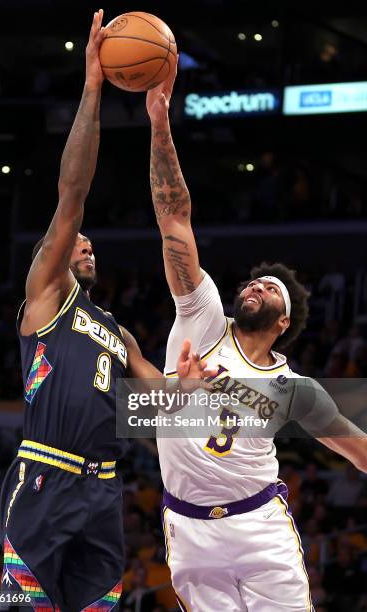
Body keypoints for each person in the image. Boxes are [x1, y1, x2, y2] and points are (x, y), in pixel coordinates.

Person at [0, 13, 214, 612]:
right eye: (78, 241)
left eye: (92, 242)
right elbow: (74, 192)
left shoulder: (118, 334)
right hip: (45, 475)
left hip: (103, 488)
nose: (87, 244)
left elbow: (158, 405)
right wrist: (93, 87)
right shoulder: (48, 298)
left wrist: (187, 390)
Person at [146, 61, 367, 611]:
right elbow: (174, 219)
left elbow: (357, 449)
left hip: (259, 525)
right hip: (189, 528)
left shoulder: (295, 388)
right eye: (254, 280)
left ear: (283, 321)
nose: (256, 285)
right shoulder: (201, 317)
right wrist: (158, 123)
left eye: (271, 289)